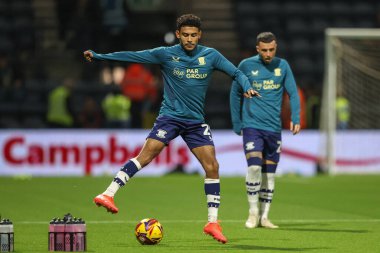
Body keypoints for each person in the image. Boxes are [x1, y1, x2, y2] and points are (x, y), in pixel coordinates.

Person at [83, 14, 259, 244]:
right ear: (178, 35)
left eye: (193, 35)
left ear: (200, 35)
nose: (189, 39)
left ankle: (212, 223)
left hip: (195, 122)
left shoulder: (211, 55)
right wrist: (99, 56)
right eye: (185, 35)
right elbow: (132, 56)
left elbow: (236, 73)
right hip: (170, 118)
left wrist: (247, 86)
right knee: (146, 156)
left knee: (212, 166)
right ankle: (107, 194)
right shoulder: (166, 54)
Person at [230, 32, 300, 229]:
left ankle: (265, 217)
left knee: (269, 174)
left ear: (275, 47)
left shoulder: (283, 66)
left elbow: (293, 93)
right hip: (252, 125)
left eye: (271, 49)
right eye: (264, 50)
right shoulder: (246, 65)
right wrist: (237, 122)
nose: (268, 54)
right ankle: (253, 212)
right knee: (253, 167)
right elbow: (234, 93)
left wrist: (296, 117)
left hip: (273, 128)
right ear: (257, 49)